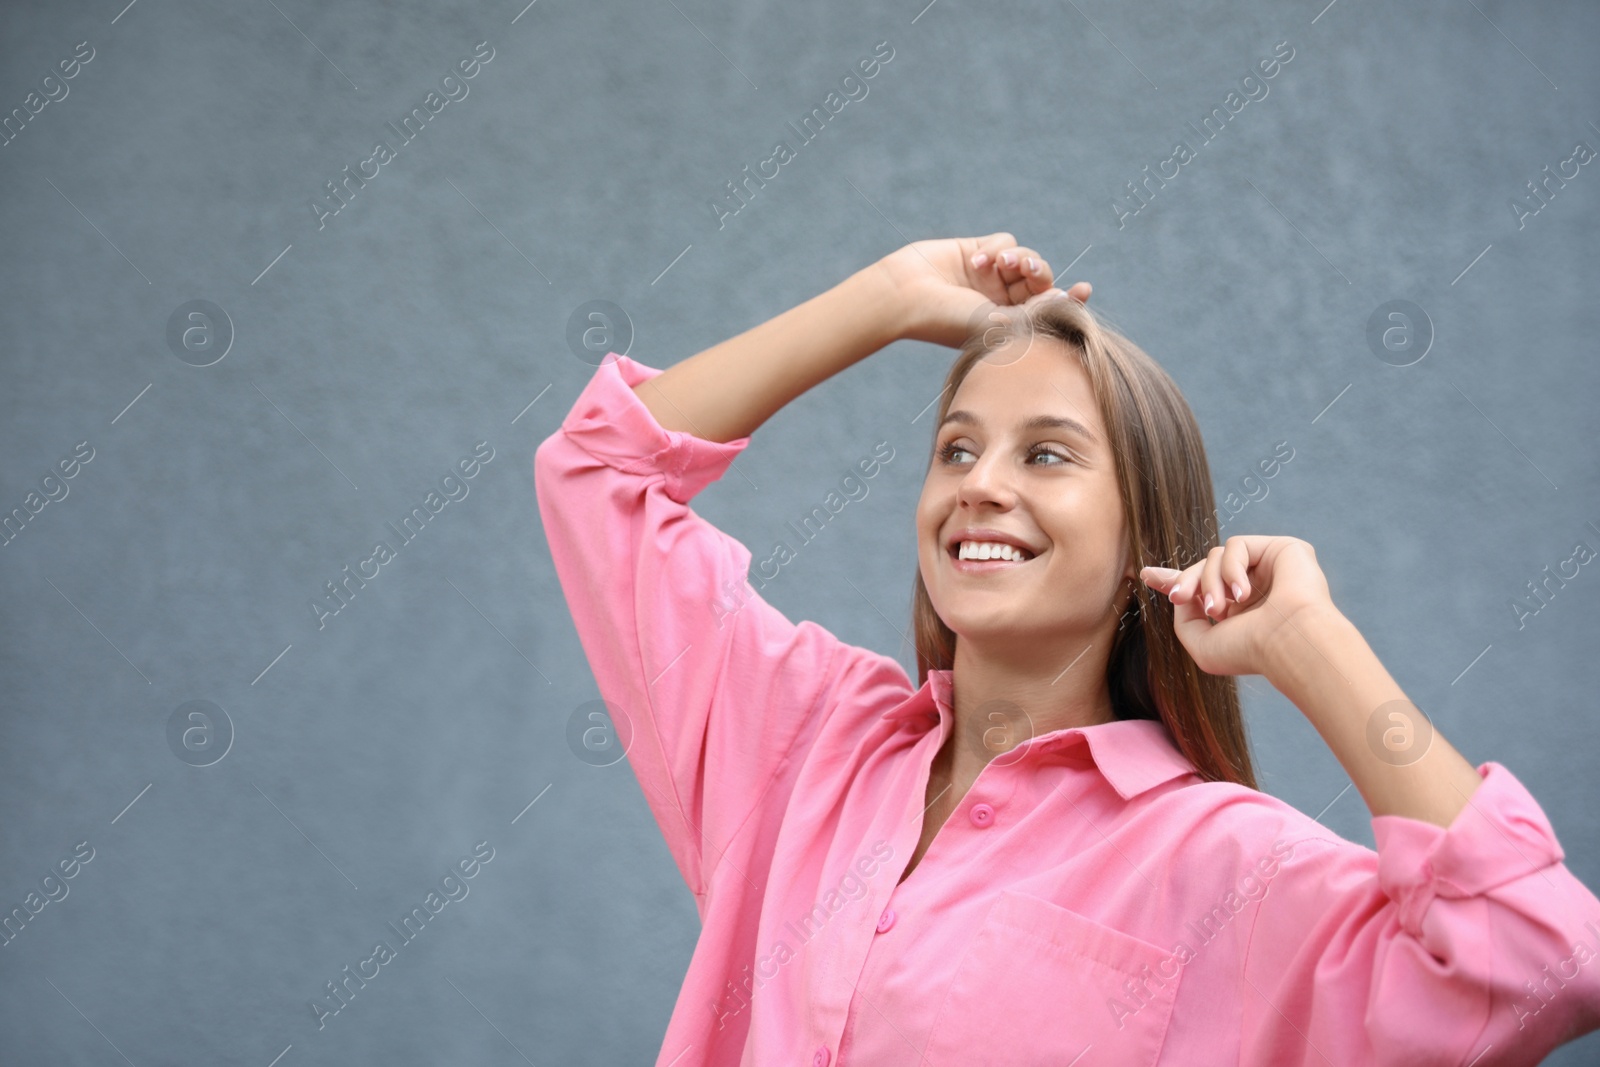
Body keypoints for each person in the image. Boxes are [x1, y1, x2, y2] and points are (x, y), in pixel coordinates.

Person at [533, 233, 1600, 1065]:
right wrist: (890, 296)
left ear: (1146, 532)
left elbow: (1537, 955)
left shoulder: (1219, 863)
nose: (978, 482)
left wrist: (1313, 645)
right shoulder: (804, 742)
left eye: (1046, 453)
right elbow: (601, 473)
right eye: (956, 447)